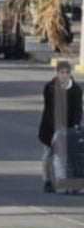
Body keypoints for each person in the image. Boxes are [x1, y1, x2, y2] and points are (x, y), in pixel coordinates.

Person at [40, 60, 83, 192]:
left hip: (68, 128)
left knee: (69, 155)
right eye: (61, 72)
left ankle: (69, 182)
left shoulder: (76, 89)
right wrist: (56, 128)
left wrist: (74, 126)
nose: (64, 75)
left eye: (67, 72)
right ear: (57, 73)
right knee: (48, 153)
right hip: (50, 127)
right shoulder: (50, 88)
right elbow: (50, 109)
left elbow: (78, 109)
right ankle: (47, 180)